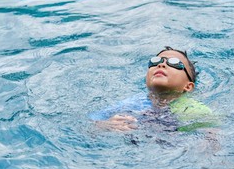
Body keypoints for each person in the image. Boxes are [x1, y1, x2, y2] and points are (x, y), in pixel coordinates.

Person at [90, 46, 219, 132]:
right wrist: (106, 125)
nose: (161, 64)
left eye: (174, 63)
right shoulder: (131, 103)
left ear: (188, 86)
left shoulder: (194, 110)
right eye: (155, 61)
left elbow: (214, 134)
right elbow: (90, 126)